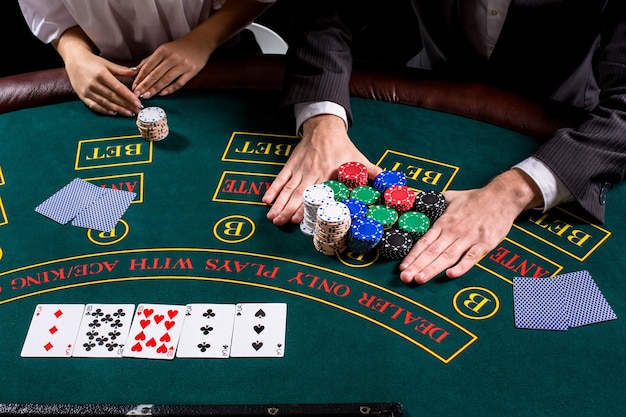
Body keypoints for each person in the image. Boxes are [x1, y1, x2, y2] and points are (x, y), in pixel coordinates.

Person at [262, 0, 626, 284]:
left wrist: (513, 191)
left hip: (554, 124)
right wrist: (322, 121)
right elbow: (326, 12)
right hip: (429, 104)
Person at [18, 0, 275, 117]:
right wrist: (75, 54)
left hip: (219, 60)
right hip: (108, 78)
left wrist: (202, 40)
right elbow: (49, 10)